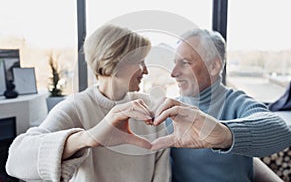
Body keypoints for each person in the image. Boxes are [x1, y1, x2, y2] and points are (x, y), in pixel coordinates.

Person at [6, 25, 171, 182]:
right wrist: (87, 138)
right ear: (115, 61)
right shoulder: (76, 107)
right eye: (140, 61)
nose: (146, 70)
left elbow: (162, 174)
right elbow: (16, 160)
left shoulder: (149, 107)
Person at [151, 29, 291, 181]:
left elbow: (282, 132)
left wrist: (223, 135)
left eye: (184, 63)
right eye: (175, 63)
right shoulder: (171, 111)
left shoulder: (236, 102)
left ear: (214, 66)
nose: (173, 73)